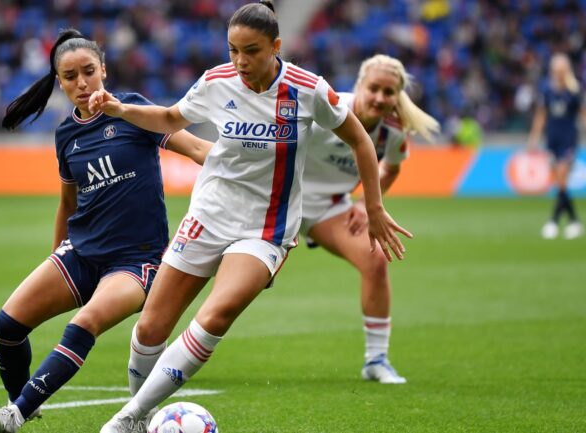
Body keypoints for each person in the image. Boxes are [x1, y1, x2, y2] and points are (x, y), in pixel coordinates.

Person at [89, 3, 412, 432]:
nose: (240, 61)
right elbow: (169, 118)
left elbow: (360, 140)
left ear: (276, 46)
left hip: (266, 228)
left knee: (217, 313)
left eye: (252, 50)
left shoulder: (308, 89)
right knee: (151, 326)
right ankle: (143, 413)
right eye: (233, 50)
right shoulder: (216, 81)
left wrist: (373, 206)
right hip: (209, 213)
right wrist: (120, 110)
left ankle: (126, 419)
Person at [0, 29, 211, 433]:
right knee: (7, 326)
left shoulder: (134, 111)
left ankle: (14, 415)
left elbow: (195, 149)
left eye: (89, 71)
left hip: (135, 262)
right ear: (60, 82)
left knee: (83, 324)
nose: (82, 83)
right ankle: (22, 404)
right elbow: (68, 204)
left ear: (103, 69)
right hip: (81, 254)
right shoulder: (66, 134)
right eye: (70, 76)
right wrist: (55, 256)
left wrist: (248, 164)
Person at [300, 54, 439, 384]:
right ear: (359, 86)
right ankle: (160, 345)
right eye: (373, 88)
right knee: (237, 276)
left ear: (397, 97)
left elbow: (392, 167)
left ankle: (376, 361)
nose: (380, 97)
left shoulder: (393, 130)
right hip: (280, 201)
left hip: (329, 209)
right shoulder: (329, 109)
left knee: (376, 260)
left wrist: (365, 205)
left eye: (388, 92)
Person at [527, 53, 586, 240]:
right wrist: (534, 137)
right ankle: (574, 222)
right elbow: (541, 115)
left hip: (569, 140)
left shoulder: (574, 90)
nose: (558, 73)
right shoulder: (547, 89)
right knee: (560, 183)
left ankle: (553, 222)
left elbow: (585, 114)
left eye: (561, 69)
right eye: (556, 69)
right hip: (552, 140)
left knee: (561, 179)